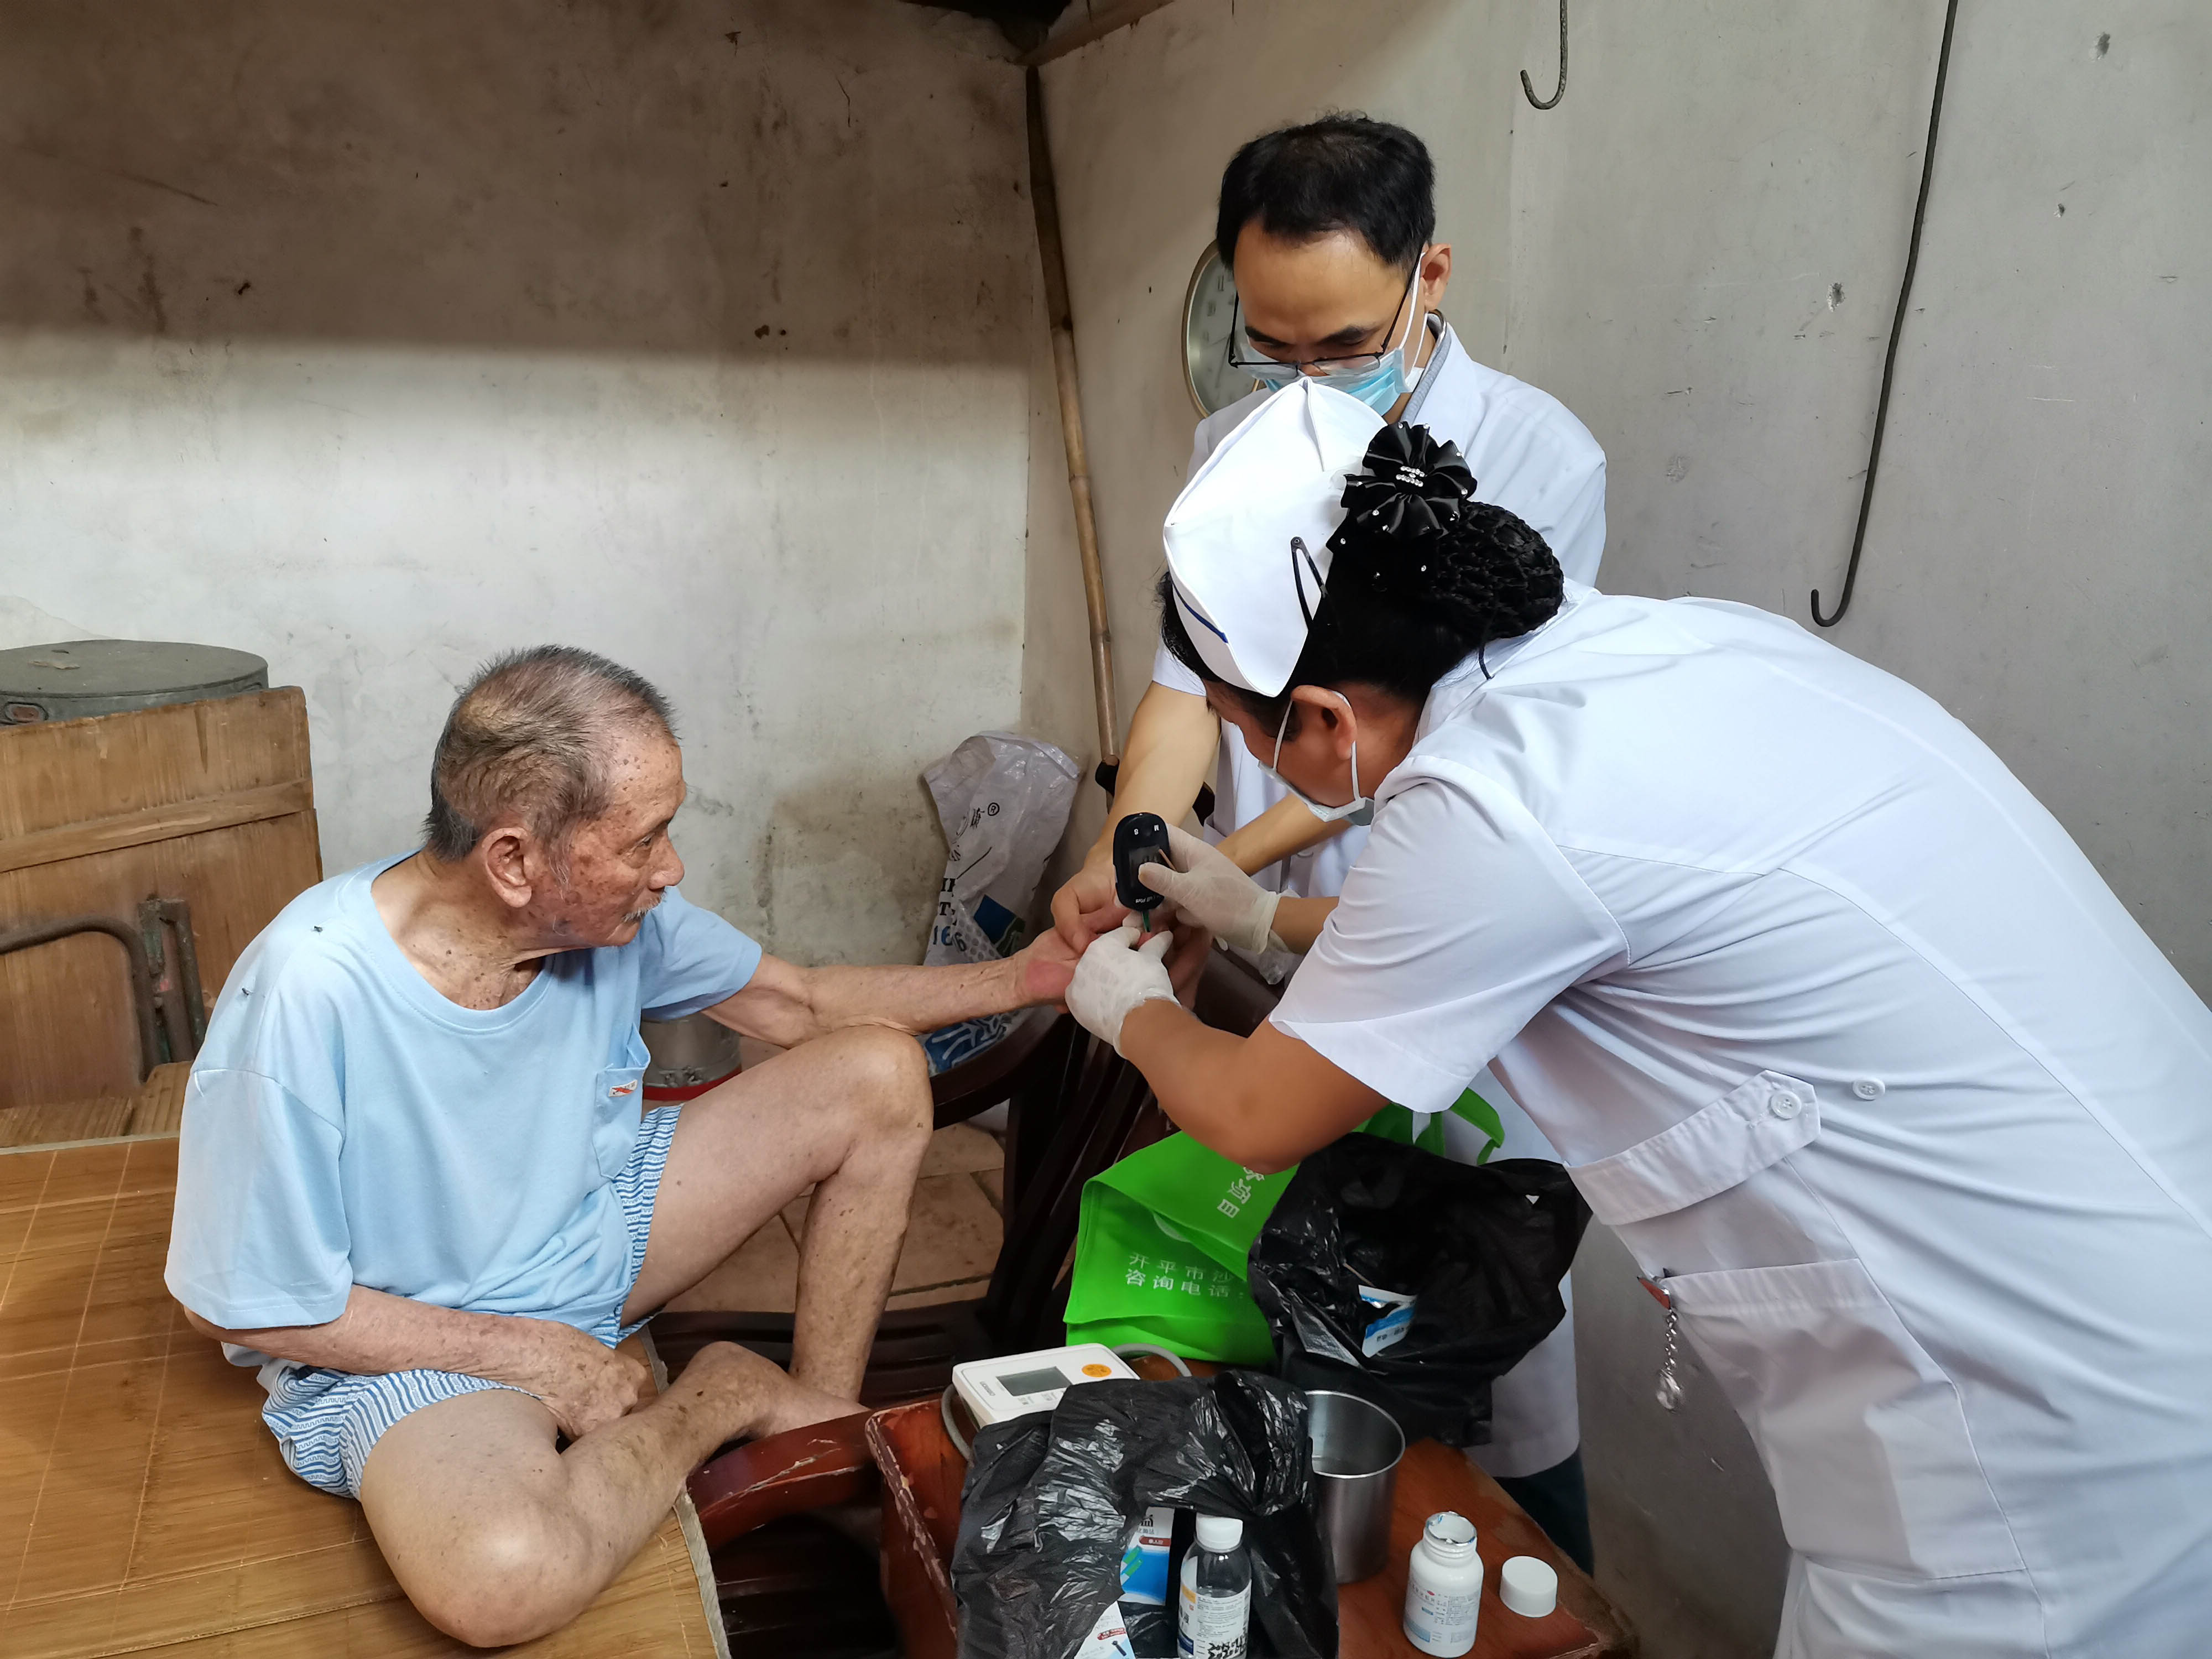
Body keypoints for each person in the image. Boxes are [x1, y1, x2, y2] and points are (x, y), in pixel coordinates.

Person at [1065, 381, 2212, 1657]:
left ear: (1323, 717)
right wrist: (1256, 916)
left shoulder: (1488, 800)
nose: (1249, 763)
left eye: (1243, 733)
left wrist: (1122, 1005)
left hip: (2040, 1426)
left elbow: (1251, 1112)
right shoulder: (1668, 650)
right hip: (2149, 1244)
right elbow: (1519, 924)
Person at [164, 646, 1078, 1647]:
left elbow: (803, 1001)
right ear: (514, 862)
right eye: (645, 841)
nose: (669, 869)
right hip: (427, 1330)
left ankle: (814, 1434)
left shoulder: (617, 923)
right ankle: (729, 1393)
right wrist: (532, 1355)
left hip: (594, 1222)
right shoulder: (307, 993)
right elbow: (241, 1301)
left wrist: (1024, 980)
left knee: (878, 1074)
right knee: (500, 1578)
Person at [1052, 112, 1604, 1560]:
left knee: (1471, 1344)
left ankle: (1543, 1597)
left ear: (1431, 276)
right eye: (1274, 347)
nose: (1306, 383)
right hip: (1277, 931)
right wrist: (1138, 846)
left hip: (1450, 945)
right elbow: (1189, 689)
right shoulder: (1234, 444)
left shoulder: (1535, 458)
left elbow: (1413, 754)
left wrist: (1230, 884)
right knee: (1285, 1301)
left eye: (1344, 344)